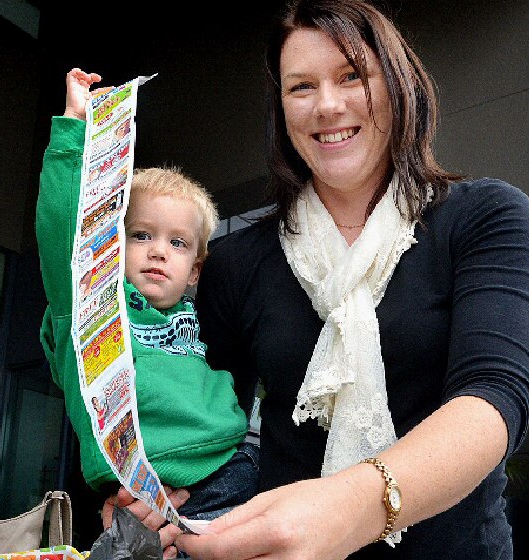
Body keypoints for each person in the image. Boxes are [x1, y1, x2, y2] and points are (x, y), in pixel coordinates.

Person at [104, 1, 529, 558]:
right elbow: (212, 418)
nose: (327, 105)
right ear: (281, 109)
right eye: (300, 87)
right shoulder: (238, 262)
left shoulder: (485, 216)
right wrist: (168, 488)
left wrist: (351, 506)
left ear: (401, 86)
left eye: (353, 76)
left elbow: (494, 397)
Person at [37, 68, 258, 525]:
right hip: (143, 479)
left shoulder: (196, 316)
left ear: (195, 269)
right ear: (112, 247)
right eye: (141, 235)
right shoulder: (92, 309)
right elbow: (61, 233)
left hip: (235, 463)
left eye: (178, 243)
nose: (159, 250)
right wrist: (75, 129)